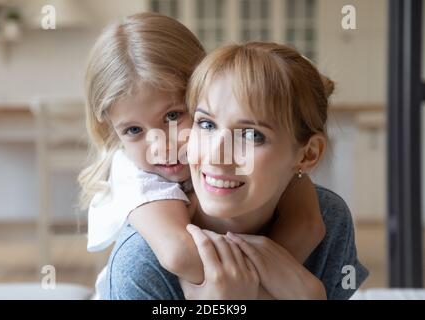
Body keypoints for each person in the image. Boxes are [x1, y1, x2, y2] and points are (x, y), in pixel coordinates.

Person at [79, 13, 327, 299]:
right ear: (113, 131)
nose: (161, 146)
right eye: (133, 130)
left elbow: (308, 224)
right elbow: (178, 254)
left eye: (174, 115)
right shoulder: (134, 177)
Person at [105, 41, 369, 300]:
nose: (216, 156)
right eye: (206, 124)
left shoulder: (330, 219)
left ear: (308, 154)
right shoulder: (142, 263)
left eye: (252, 135)